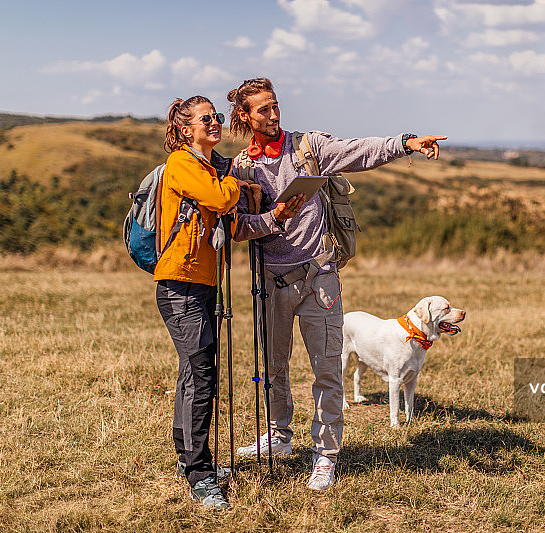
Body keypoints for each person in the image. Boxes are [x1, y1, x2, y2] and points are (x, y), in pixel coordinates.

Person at [227, 77, 446, 491]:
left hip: (320, 278)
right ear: (244, 115)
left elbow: (358, 151)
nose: (273, 116)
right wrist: (276, 217)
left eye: (276, 106)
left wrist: (406, 143)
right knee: (273, 368)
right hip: (271, 282)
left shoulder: (308, 147)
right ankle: (278, 437)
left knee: (327, 370)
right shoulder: (241, 167)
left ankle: (325, 455)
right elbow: (239, 228)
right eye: (263, 110)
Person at [154, 96, 240, 509]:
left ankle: (192, 461)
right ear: (186, 130)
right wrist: (237, 178)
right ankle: (200, 476)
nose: (216, 122)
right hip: (180, 285)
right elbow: (223, 200)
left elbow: (230, 217)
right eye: (208, 118)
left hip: (204, 283)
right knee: (201, 374)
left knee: (198, 373)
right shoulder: (182, 163)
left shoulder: (209, 168)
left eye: (217, 117)